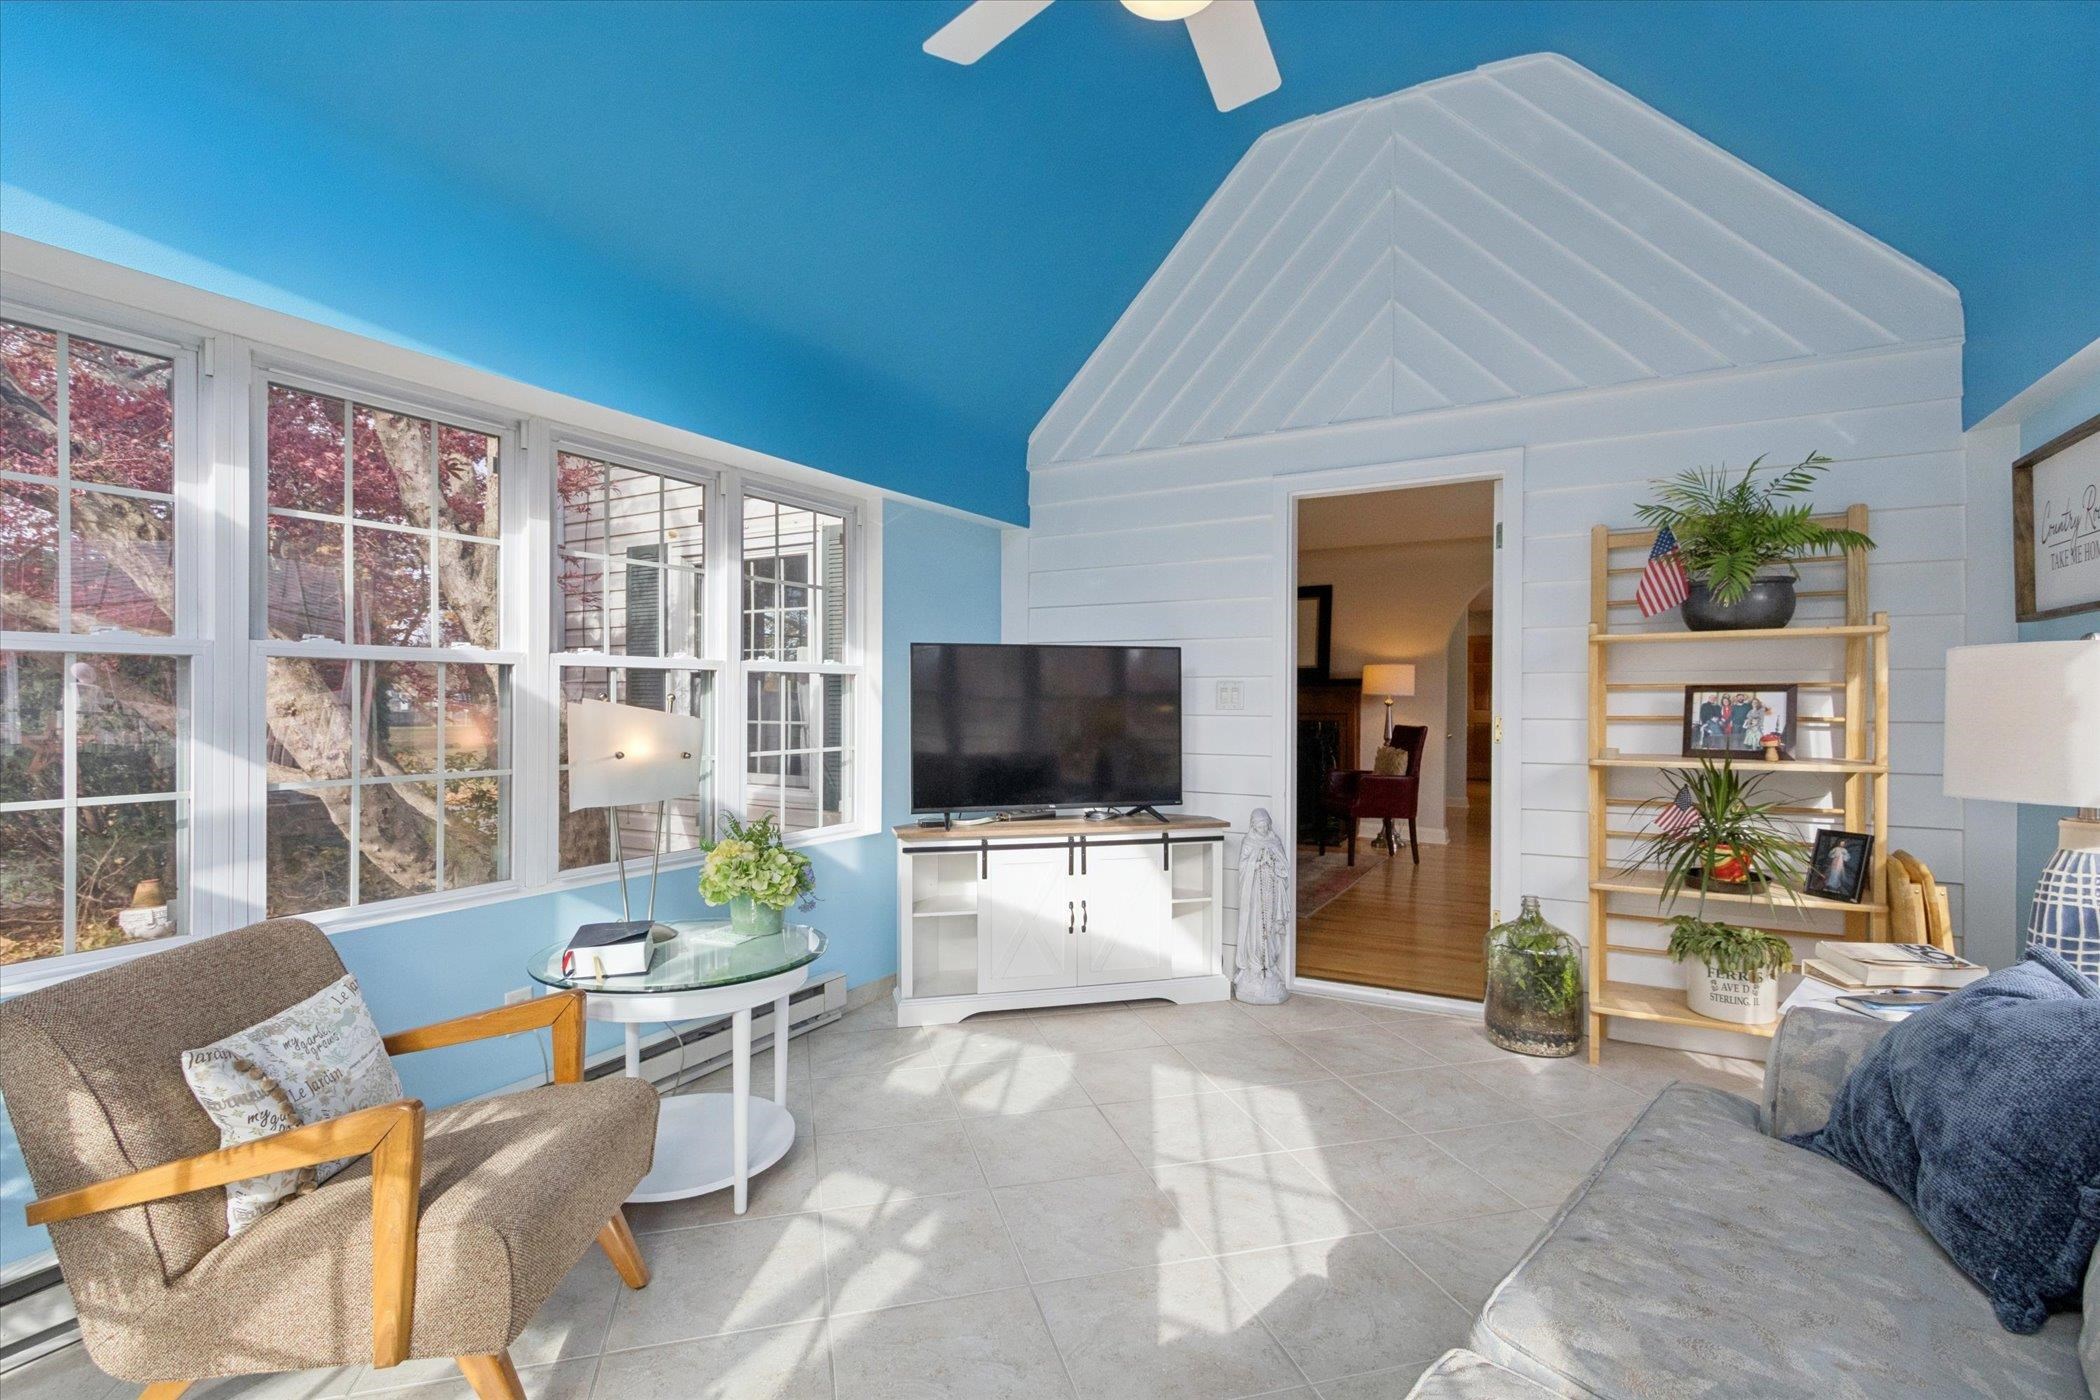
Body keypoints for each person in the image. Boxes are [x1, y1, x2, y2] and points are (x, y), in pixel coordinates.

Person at [1234, 807, 1290, 1004]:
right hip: (1255, 899)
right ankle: (1256, 965)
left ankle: (1270, 964)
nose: (1263, 828)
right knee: (1256, 929)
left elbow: (1283, 866)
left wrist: (1273, 862)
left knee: (1271, 929)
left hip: (1271, 894)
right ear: (1253, 826)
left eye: (1266, 825)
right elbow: (1243, 868)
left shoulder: (1275, 841)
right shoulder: (1248, 842)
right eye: (1259, 825)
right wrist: (1257, 863)